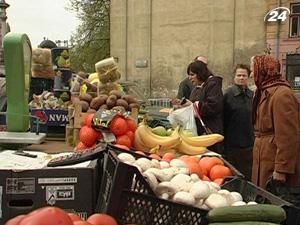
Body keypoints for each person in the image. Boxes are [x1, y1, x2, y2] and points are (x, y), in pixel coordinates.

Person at [250, 54, 300, 194]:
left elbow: (288, 136)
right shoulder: (264, 92)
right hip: (264, 155)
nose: (251, 74)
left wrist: (281, 169)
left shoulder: (281, 94)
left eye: (253, 69)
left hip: (272, 159)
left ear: (262, 70)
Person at [223, 64, 254, 180]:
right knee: (234, 176)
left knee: (248, 176)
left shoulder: (252, 96)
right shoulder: (227, 95)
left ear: (249, 77)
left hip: (249, 144)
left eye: (244, 75)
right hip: (232, 144)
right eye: (239, 75)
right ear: (234, 77)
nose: (241, 78)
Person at [187, 60, 224, 153]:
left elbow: (214, 106)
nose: (189, 78)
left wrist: (193, 105)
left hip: (210, 131)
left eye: (192, 74)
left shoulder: (213, 85)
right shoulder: (196, 88)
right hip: (200, 132)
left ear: (200, 73)